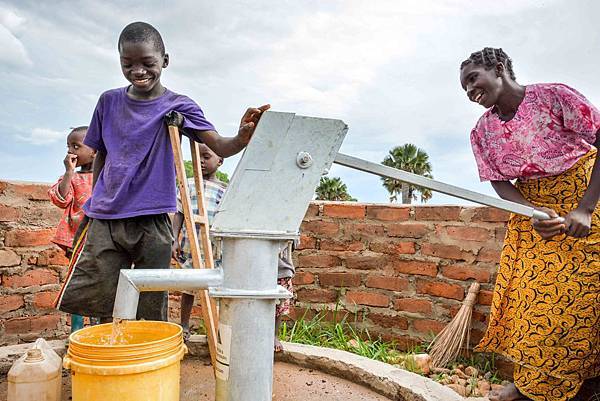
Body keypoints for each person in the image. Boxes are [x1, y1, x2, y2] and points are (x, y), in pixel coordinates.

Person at [55, 21, 269, 322]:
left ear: (165, 61)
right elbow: (101, 152)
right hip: (107, 215)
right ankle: (111, 356)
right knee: (101, 298)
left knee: (149, 301)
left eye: (147, 63)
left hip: (152, 216)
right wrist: (95, 199)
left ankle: (147, 360)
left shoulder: (179, 105)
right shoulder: (108, 101)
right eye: (127, 64)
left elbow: (220, 146)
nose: (138, 71)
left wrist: (242, 137)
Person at [459, 47, 599, 401]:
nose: (470, 91)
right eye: (464, 88)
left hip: (585, 195)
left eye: (473, 78)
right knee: (530, 300)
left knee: (580, 300)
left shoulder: (555, 96)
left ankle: (583, 382)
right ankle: (533, 382)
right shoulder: (482, 130)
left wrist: (585, 209)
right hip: (533, 214)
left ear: (500, 68)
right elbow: (498, 181)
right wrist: (532, 213)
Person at [171, 143, 227, 340]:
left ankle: (216, 327)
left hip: (213, 249)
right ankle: (184, 325)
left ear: (220, 161)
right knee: (188, 287)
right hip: (189, 244)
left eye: (206, 157)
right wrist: (174, 239)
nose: (201, 161)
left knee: (217, 291)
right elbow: (179, 213)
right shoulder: (187, 184)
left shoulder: (224, 190)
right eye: (197, 157)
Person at [48, 126, 96, 332]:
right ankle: (76, 331)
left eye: (76, 146)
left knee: (100, 285)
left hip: (101, 239)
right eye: (68, 146)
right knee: (77, 284)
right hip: (75, 241)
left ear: (95, 150)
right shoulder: (73, 178)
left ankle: (96, 329)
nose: (71, 151)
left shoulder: (106, 176)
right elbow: (60, 198)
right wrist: (69, 172)